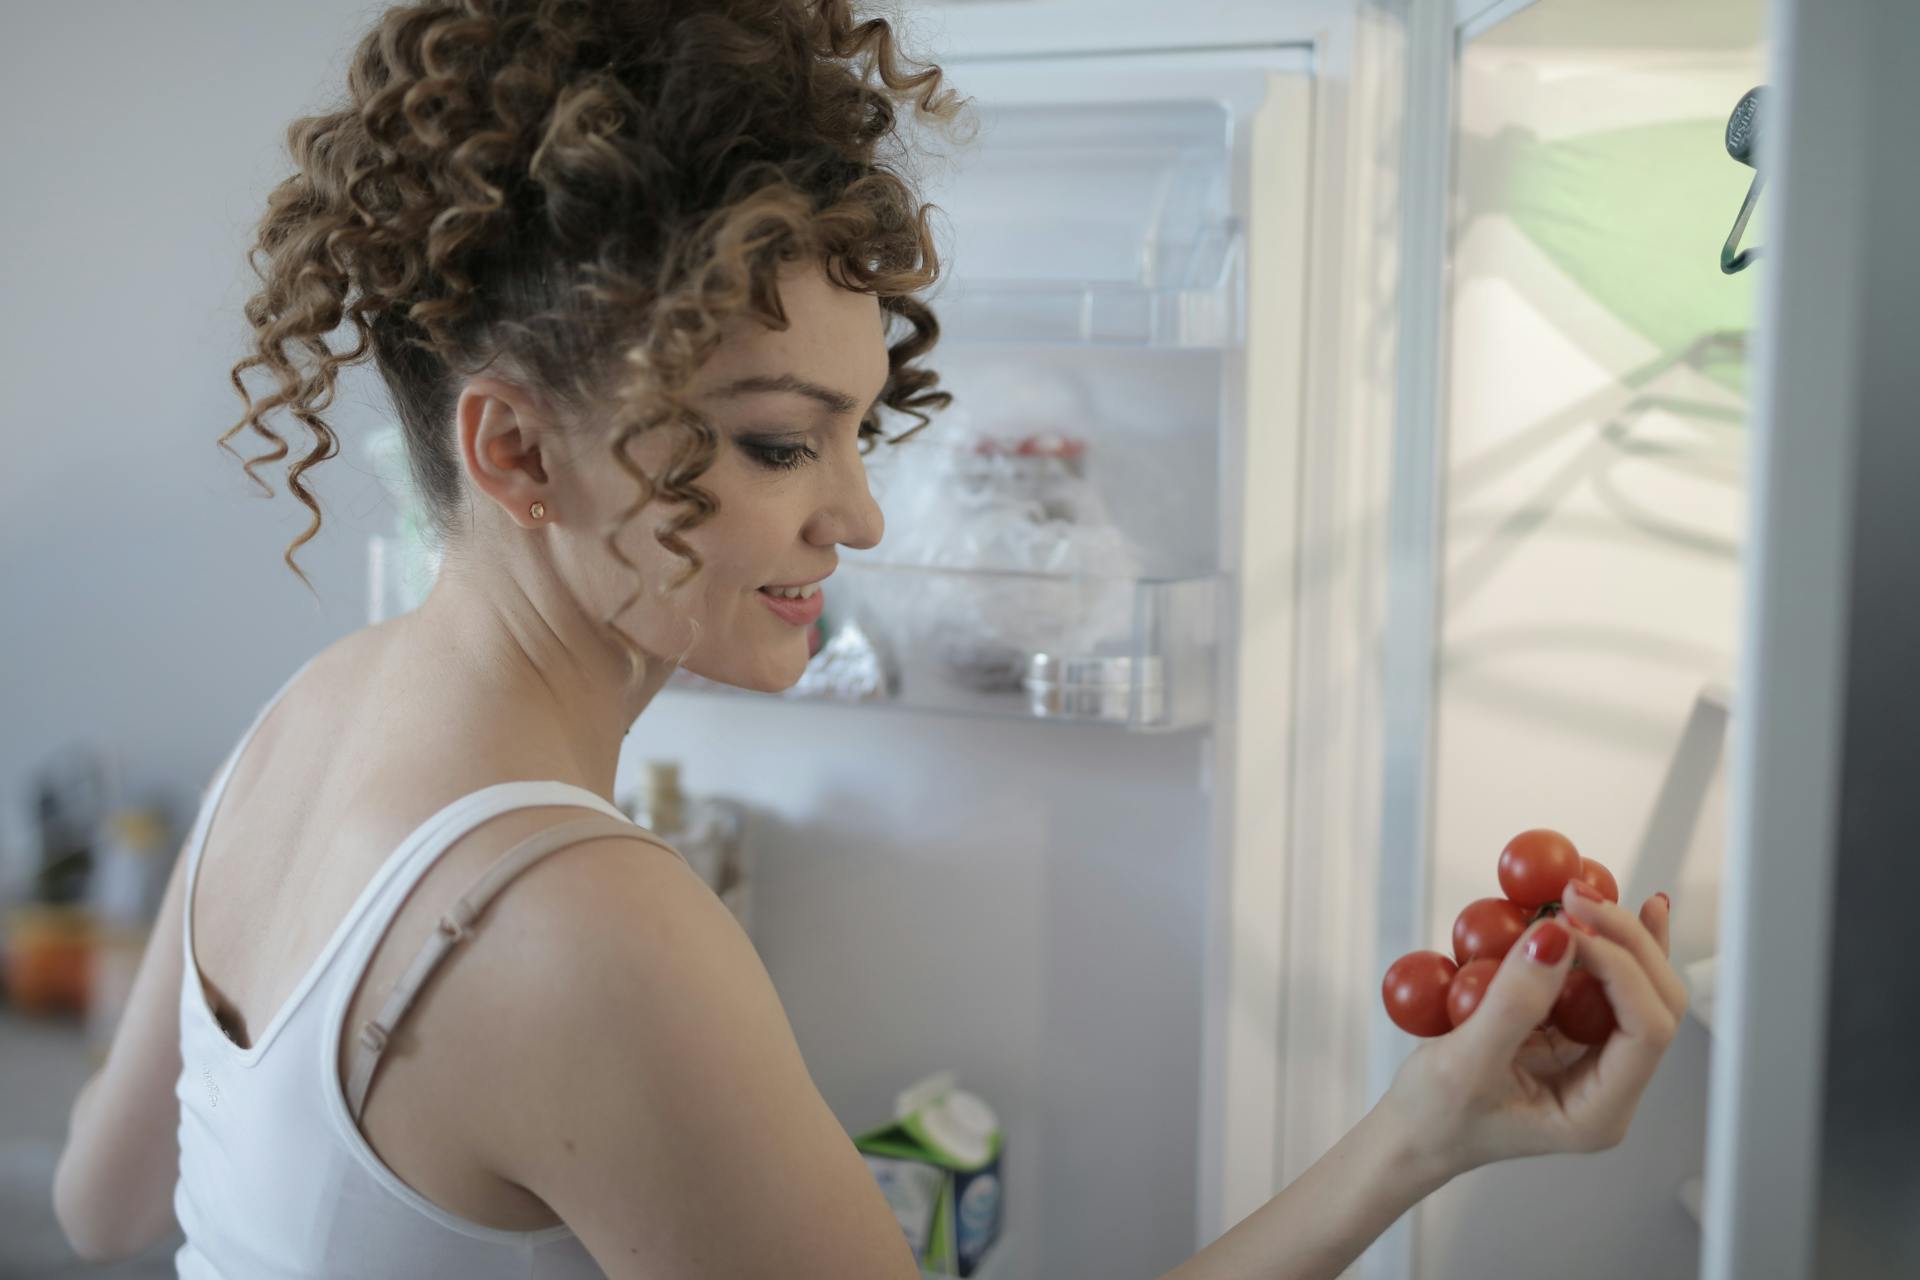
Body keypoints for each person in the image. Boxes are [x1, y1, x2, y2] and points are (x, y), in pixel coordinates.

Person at [51, 2, 1686, 1276]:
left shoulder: (304, 720)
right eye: (778, 443)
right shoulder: (585, 932)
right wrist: (1417, 1141)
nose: (861, 517)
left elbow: (101, 1202)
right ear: (515, 454)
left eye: (858, 433)